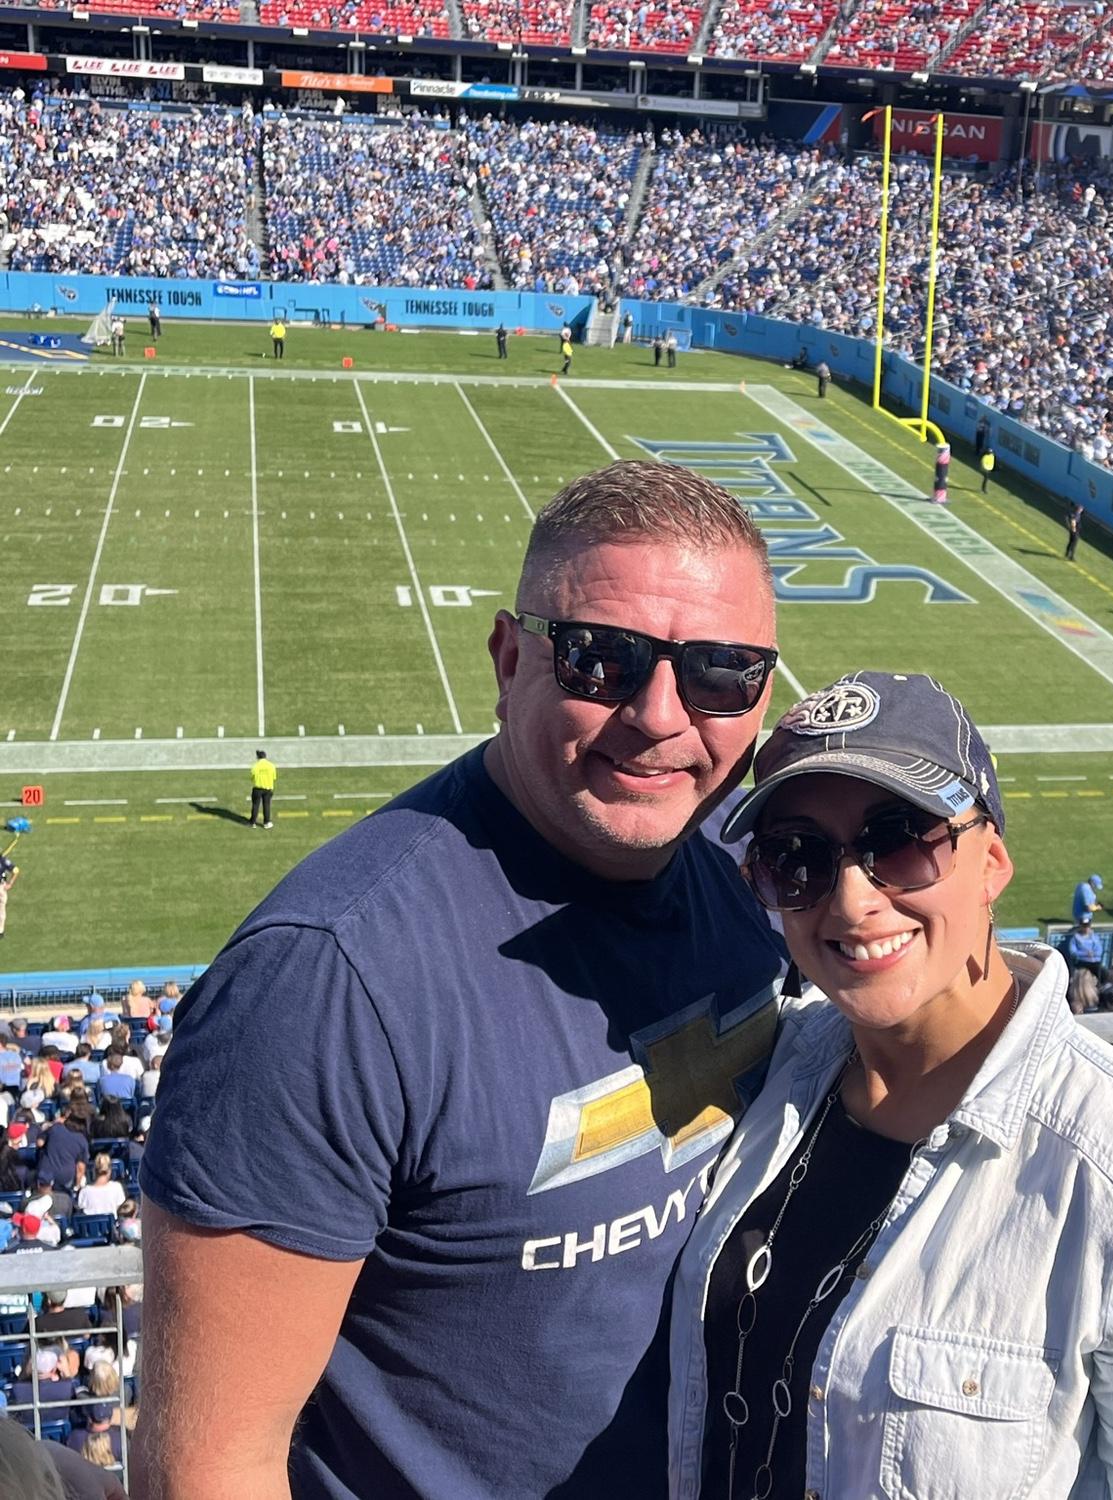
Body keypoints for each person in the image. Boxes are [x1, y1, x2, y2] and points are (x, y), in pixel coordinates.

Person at [137, 461, 786, 1499]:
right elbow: (211, 1469)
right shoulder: (324, 983)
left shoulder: (762, 869)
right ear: (508, 657)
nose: (661, 715)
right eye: (602, 659)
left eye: (720, 673)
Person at [669, 671, 1113, 1498]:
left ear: (991, 862)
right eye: (794, 858)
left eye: (898, 841)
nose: (851, 899)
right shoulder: (775, 1065)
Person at [249, 749, 276, 829]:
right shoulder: (271, 766)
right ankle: (266, 822)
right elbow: (274, 777)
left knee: (255, 805)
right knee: (267, 805)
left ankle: (252, 822)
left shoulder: (255, 766)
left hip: (257, 788)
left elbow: (252, 778)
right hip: (268, 788)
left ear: (258, 757)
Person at [0, 853, 16, 940]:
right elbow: (16, 870)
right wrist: (10, 884)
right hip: (1, 888)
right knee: (2, 910)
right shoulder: (3, 860)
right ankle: (1, 931)